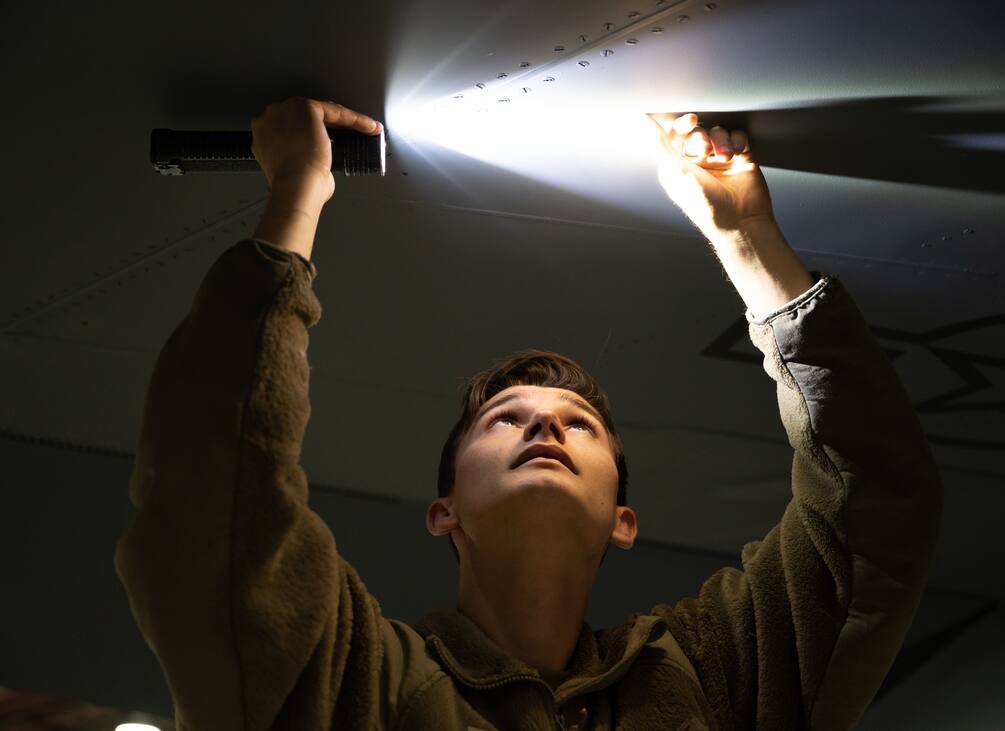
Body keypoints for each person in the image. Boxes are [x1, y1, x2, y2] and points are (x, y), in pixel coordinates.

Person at [115, 96, 943, 730]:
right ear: (445, 512)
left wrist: (749, 242)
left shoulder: (708, 676)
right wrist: (297, 197)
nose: (547, 427)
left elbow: (873, 512)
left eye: (579, 425)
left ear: (623, 519)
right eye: (504, 419)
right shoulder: (358, 679)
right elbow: (216, 503)